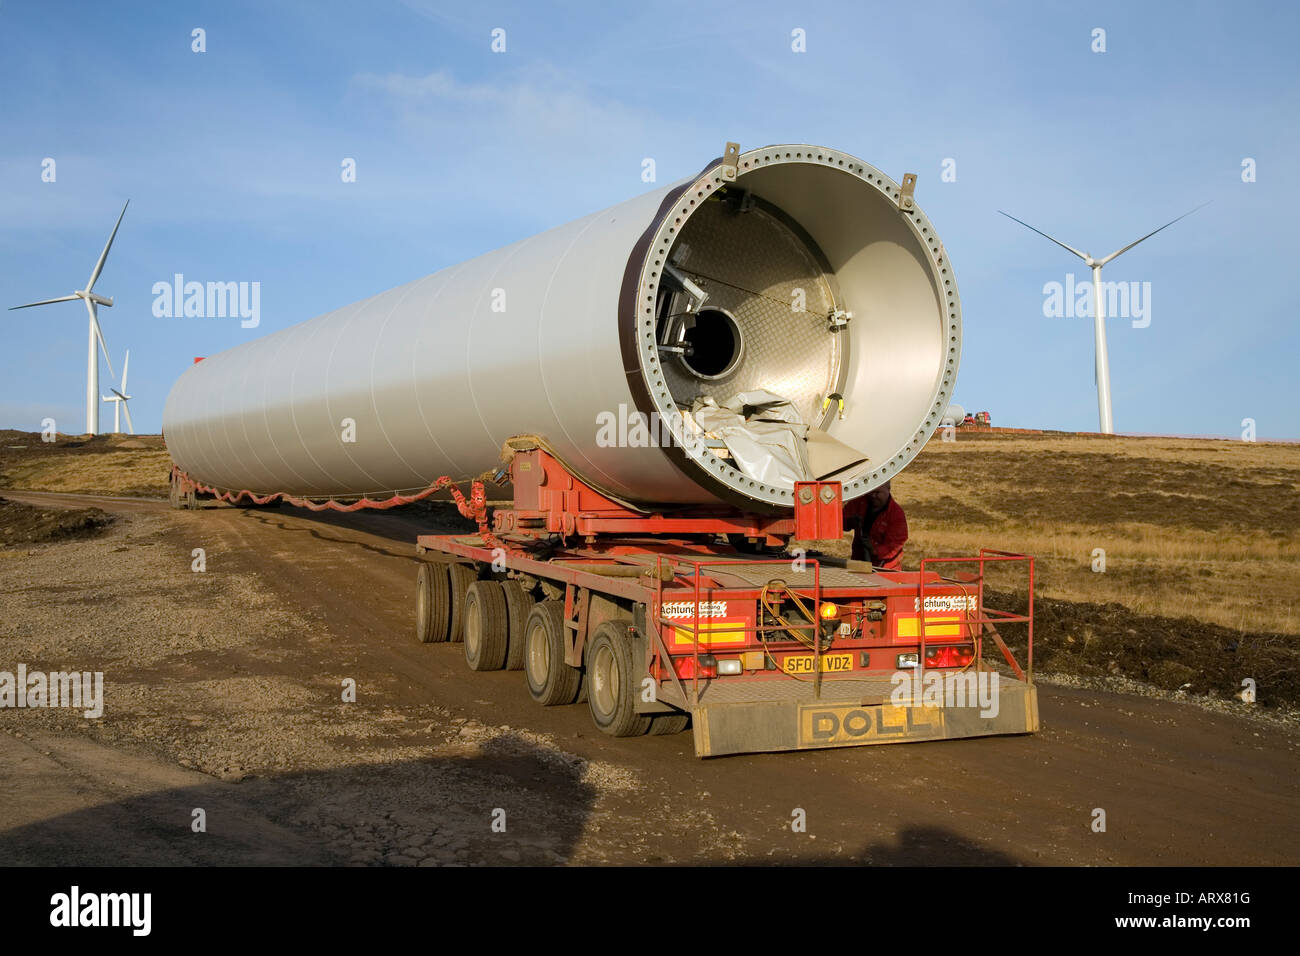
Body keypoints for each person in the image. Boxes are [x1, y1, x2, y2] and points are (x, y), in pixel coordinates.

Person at [842, 480, 908, 570]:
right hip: (859, 564)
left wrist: (873, 549)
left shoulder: (896, 514)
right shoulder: (859, 502)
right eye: (870, 492)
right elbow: (841, 522)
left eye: (877, 493)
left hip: (885, 569)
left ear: (888, 489)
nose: (873, 496)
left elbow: (894, 544)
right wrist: (851, 521)